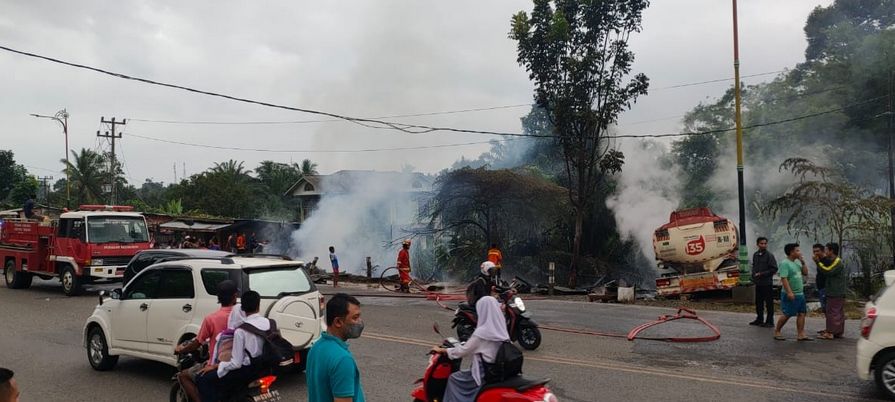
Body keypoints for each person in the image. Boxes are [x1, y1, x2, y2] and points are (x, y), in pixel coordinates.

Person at [432, 292, 511, 402]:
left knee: (453, 378)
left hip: (485, 373)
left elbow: (463, 351)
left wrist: (442, 350)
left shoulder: (482, 332)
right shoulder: (500, 328)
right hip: (498, 369)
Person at [197, 290, 269, 402]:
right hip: (265, 367)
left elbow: (236, 363)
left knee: (202, 378)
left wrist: (216, 366)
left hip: (246, 370)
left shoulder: (241, 331)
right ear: (258, 305)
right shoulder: (269, 323)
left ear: (243, 308)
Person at [175, 280, 239, 402]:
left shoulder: (211, 319)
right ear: (235, 296)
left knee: (183, 376)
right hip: (240, 361)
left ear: (218, 298)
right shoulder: (242, 316)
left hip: (216, 364)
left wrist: (182, 349)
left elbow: (198, 342)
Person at [306, 293, 366, 402]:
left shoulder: (316, 348)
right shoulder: (343, 359)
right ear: (338, 322)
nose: (360, 322)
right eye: (355, 317)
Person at [774, 243, 812, 341]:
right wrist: (789, 292)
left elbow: (805, 272)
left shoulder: (797, 262)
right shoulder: (785, 263)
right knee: (787, 314)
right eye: (797, 250)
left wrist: (803, 262)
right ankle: (777, 331)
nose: (800, 252)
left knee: (802, 313)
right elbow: (784, 278)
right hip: (791, 293)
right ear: (791, 252)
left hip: (800, 293)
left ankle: (801, 334)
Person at [818, 242, 846, 340]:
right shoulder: (834, 260)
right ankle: (837, 331)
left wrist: (818, 262)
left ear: (831, 251)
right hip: (836, 290)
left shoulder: (837, 261)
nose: (825, 252)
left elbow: (828, 271)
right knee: (837, 312)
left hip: (835, 291)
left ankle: (831, 332)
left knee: (832, 312)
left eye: (826, 250)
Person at [750, 237, 778, 327]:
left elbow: (774, 269)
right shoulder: (755, 255)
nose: (763, 245)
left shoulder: (769, 255)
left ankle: (770, 321)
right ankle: (759, 319)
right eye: (761, 243)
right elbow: (754, 266)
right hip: (758, 283)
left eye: (765, 243)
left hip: (767, 283)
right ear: (757, 244)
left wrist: (762, 274)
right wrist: (754, 275)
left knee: (769, 303)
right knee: (759, 302)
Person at [811, 243, 828, 315]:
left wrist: (817, 262)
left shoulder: (827, 260)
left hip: (826, 287)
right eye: (814, 251)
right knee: (824, 309)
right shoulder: (819, 260)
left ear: (823, 251)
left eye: (817, 251)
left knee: (827, 308)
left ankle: (832, 325)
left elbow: (825, 272)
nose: (815, 253)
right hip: (820, 287)